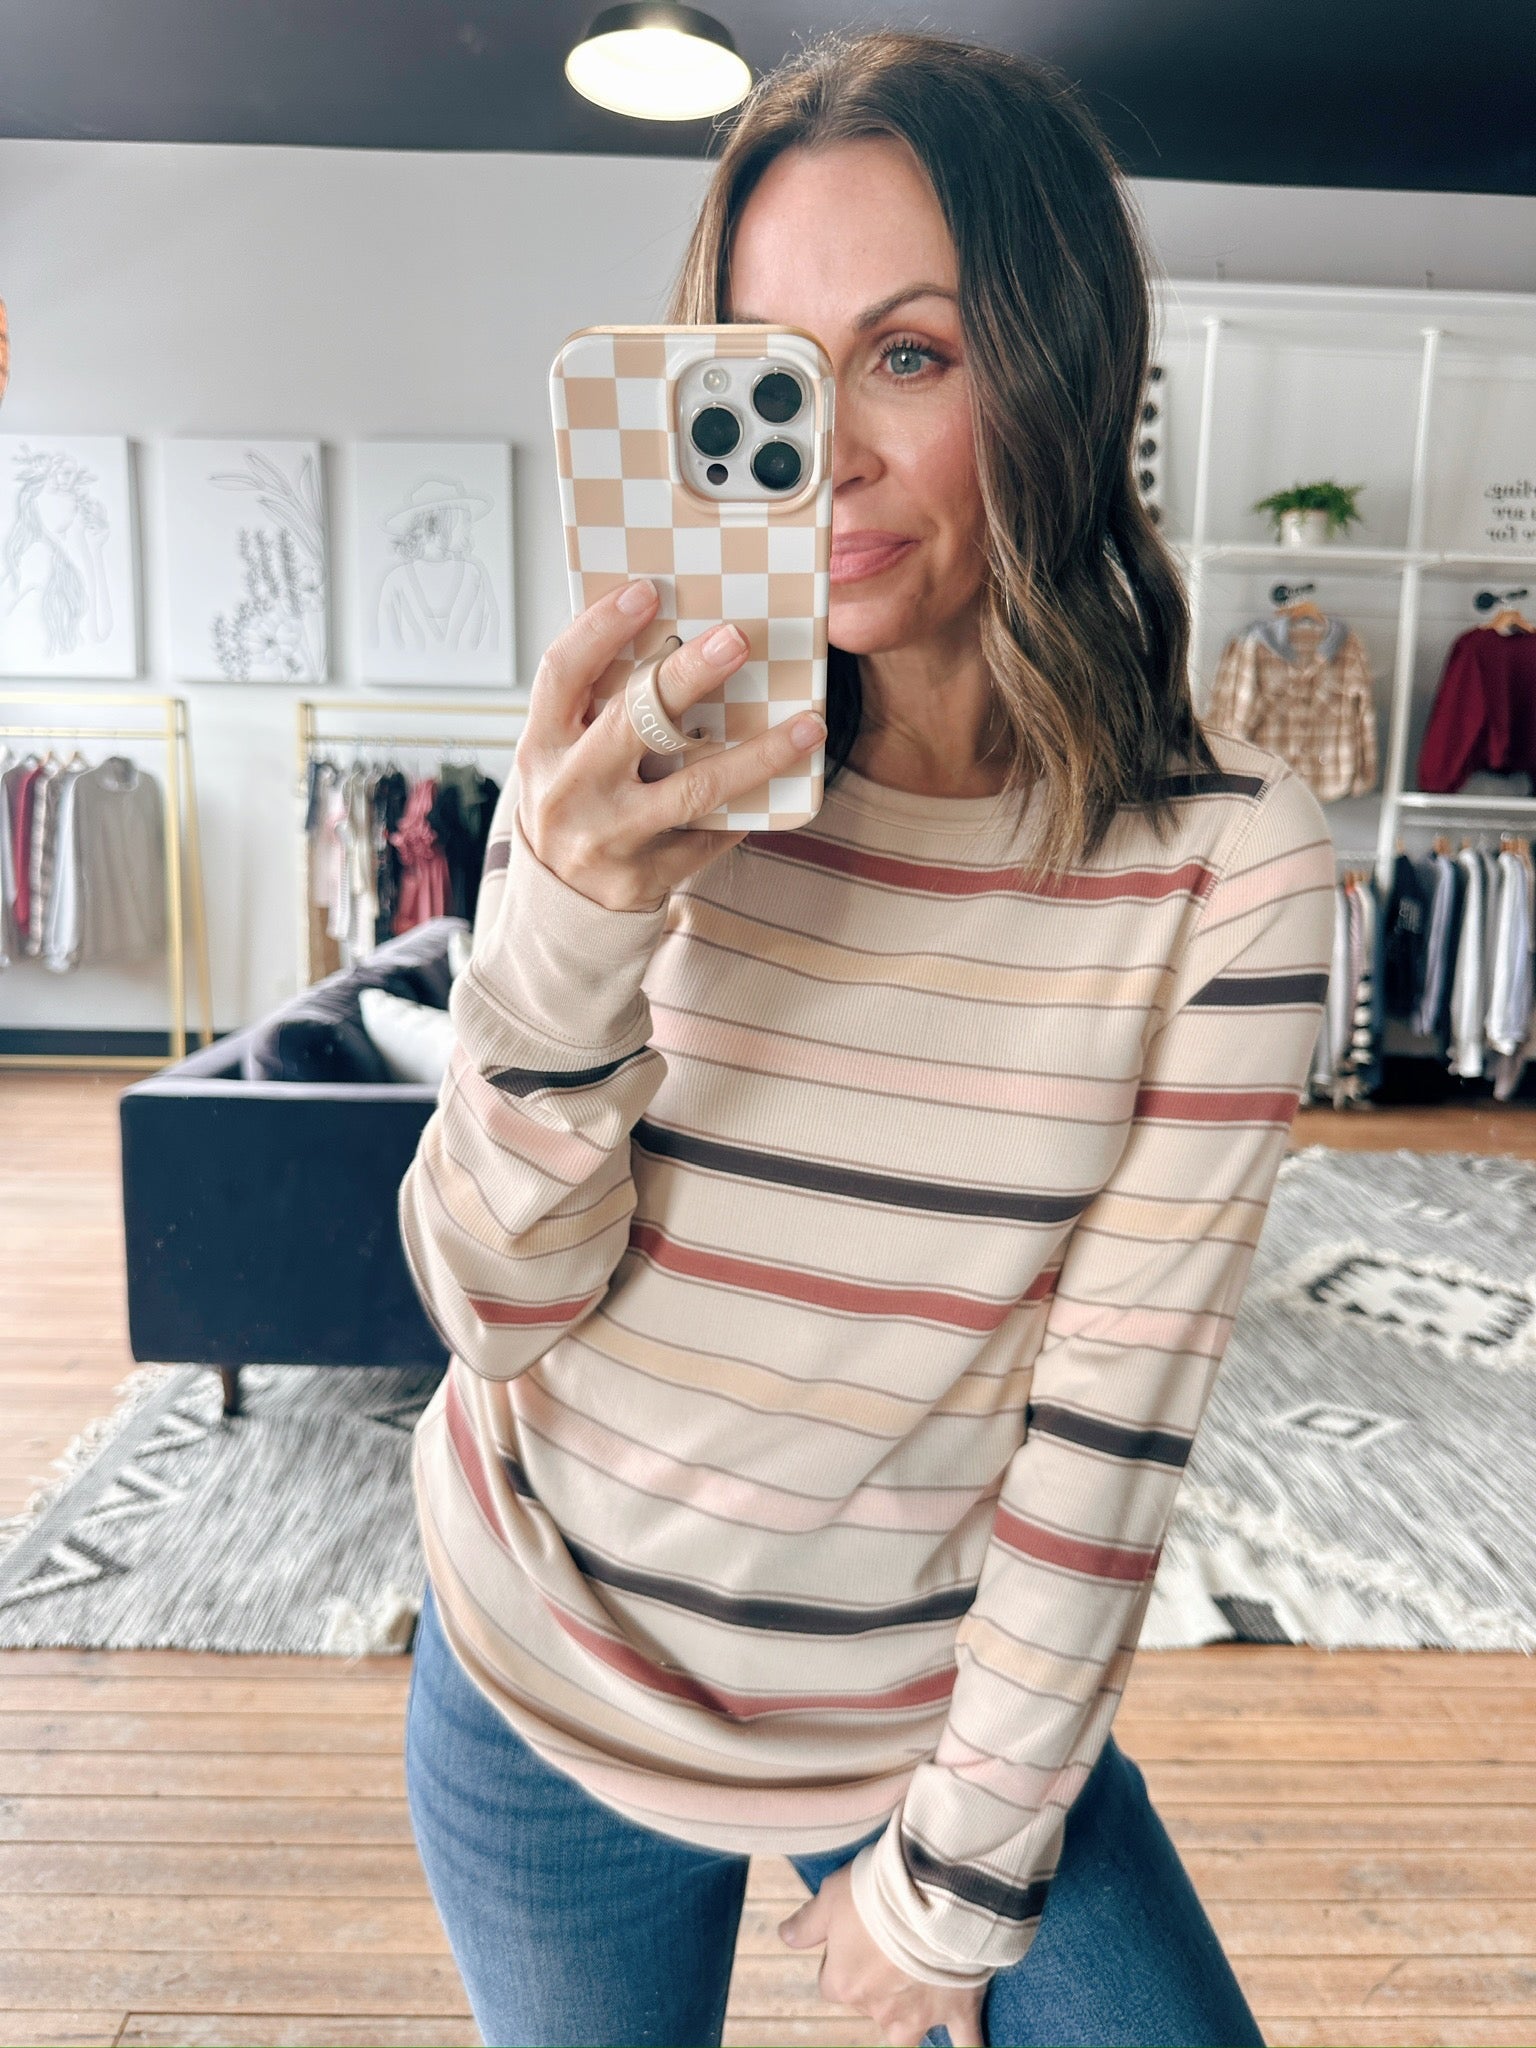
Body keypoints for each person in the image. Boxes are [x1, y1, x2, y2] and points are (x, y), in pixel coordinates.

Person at [400, 26, 1334, 2048]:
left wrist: (958, 1882)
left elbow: (1110, 1431)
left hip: (925, 1714)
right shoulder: (637, 776)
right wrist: (570, 920)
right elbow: (486, 1303)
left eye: (908, 355)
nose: (818, 453)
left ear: (1059, 370)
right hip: (545, 1682)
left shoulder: (1224, 871)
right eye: (764, 372)